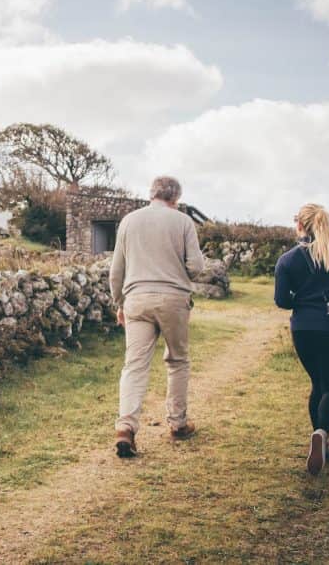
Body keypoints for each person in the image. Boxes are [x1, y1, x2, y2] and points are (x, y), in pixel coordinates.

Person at [109, 176, 206, 458]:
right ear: (176, 198)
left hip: (136, 300)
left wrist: (119, 303)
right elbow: (196, 266)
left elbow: (117, 270)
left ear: (151, 194)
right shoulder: (183, 222)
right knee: (177, 360)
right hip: (173, 300)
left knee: (134, 365)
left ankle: (125, 428)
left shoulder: (129, 221)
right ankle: (178, 423)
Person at [274, 203, 329, 476]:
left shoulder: (287, 260)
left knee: (317, 383)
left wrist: (302, 300)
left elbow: (282, 301)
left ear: (299, 225)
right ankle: (321, 434)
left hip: (303, 331)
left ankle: (320, 443)